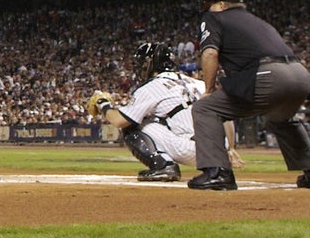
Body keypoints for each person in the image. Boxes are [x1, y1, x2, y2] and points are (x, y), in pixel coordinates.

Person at [186, 0, 310, 190]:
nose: (208, 7)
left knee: (205, 108)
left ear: (222, 4)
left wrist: (208, 91)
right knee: (281, 119)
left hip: (268, 75)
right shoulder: (259, 22)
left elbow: (209, 53)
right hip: (300, 75)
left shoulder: (214, 18)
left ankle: (218, 173)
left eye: (212, 3)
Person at [91, 40, 228, 181]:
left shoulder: (152, 86)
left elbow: (119, 121)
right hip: (220, 150)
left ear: (151, 63)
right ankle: (218, 169)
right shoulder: (199, 83)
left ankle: (164, 166)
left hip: (192, 149)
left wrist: (104, 104)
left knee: (131, 125)